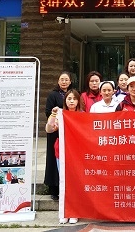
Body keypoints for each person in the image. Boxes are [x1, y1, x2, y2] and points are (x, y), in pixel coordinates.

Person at [46, 89, 83, 225]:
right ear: (65, 101)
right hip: (61, 152)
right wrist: (53, 114)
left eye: (74, 98)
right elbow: (49, 129)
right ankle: (65, 212)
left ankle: (75, 212)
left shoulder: (83, 115)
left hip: (78, 153)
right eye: (69, 98)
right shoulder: (60, 115)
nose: (72, 101)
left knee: (75, 183)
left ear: (78, 101)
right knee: (64, 182)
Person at [44, 71, 72, 201]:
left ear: (70, 82)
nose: (64, 82)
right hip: (55, 131)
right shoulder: (53, 95)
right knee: (53, 158)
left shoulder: (72, 94)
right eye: (62, 79)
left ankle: (68, 188)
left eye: (66, 79)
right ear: (58, 81)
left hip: (69, 131)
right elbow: (47, 112)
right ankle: (53, 189)